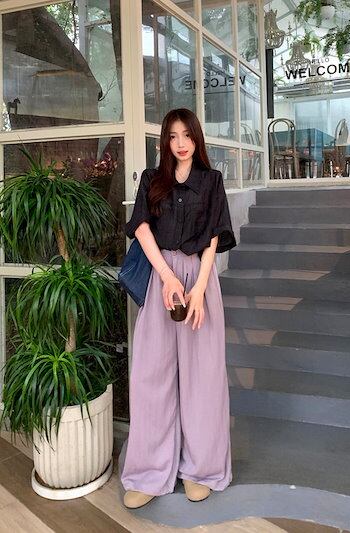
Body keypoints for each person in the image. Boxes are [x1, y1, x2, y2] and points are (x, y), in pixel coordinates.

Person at [120, 108, 237, 509]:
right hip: (162, 278)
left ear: (196, 138)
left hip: (199, 279)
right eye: (173, 136)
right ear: (165, 141)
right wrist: (168, 277)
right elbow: (141, 228)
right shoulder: (152, 179)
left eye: (187, 135)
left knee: (203, 378)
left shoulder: (212, 180)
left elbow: (214, 238)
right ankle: (149, 472)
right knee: (151, 374)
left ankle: (201, 469)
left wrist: (199, 289)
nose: (181, 143)